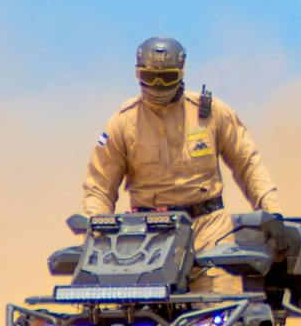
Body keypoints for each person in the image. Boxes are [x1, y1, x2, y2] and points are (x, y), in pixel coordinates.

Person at [81, 36, 283, 291]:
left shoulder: (211, 113)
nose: (157, 85)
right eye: (149, 76)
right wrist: (97, 232)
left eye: (166, 78)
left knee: (223, 311)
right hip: (146, 242)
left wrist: (272, 212)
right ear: (137, 73)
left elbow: (249, 162)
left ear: (180, 72)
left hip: (210, 235)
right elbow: (98, 186)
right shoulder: (122, 123)